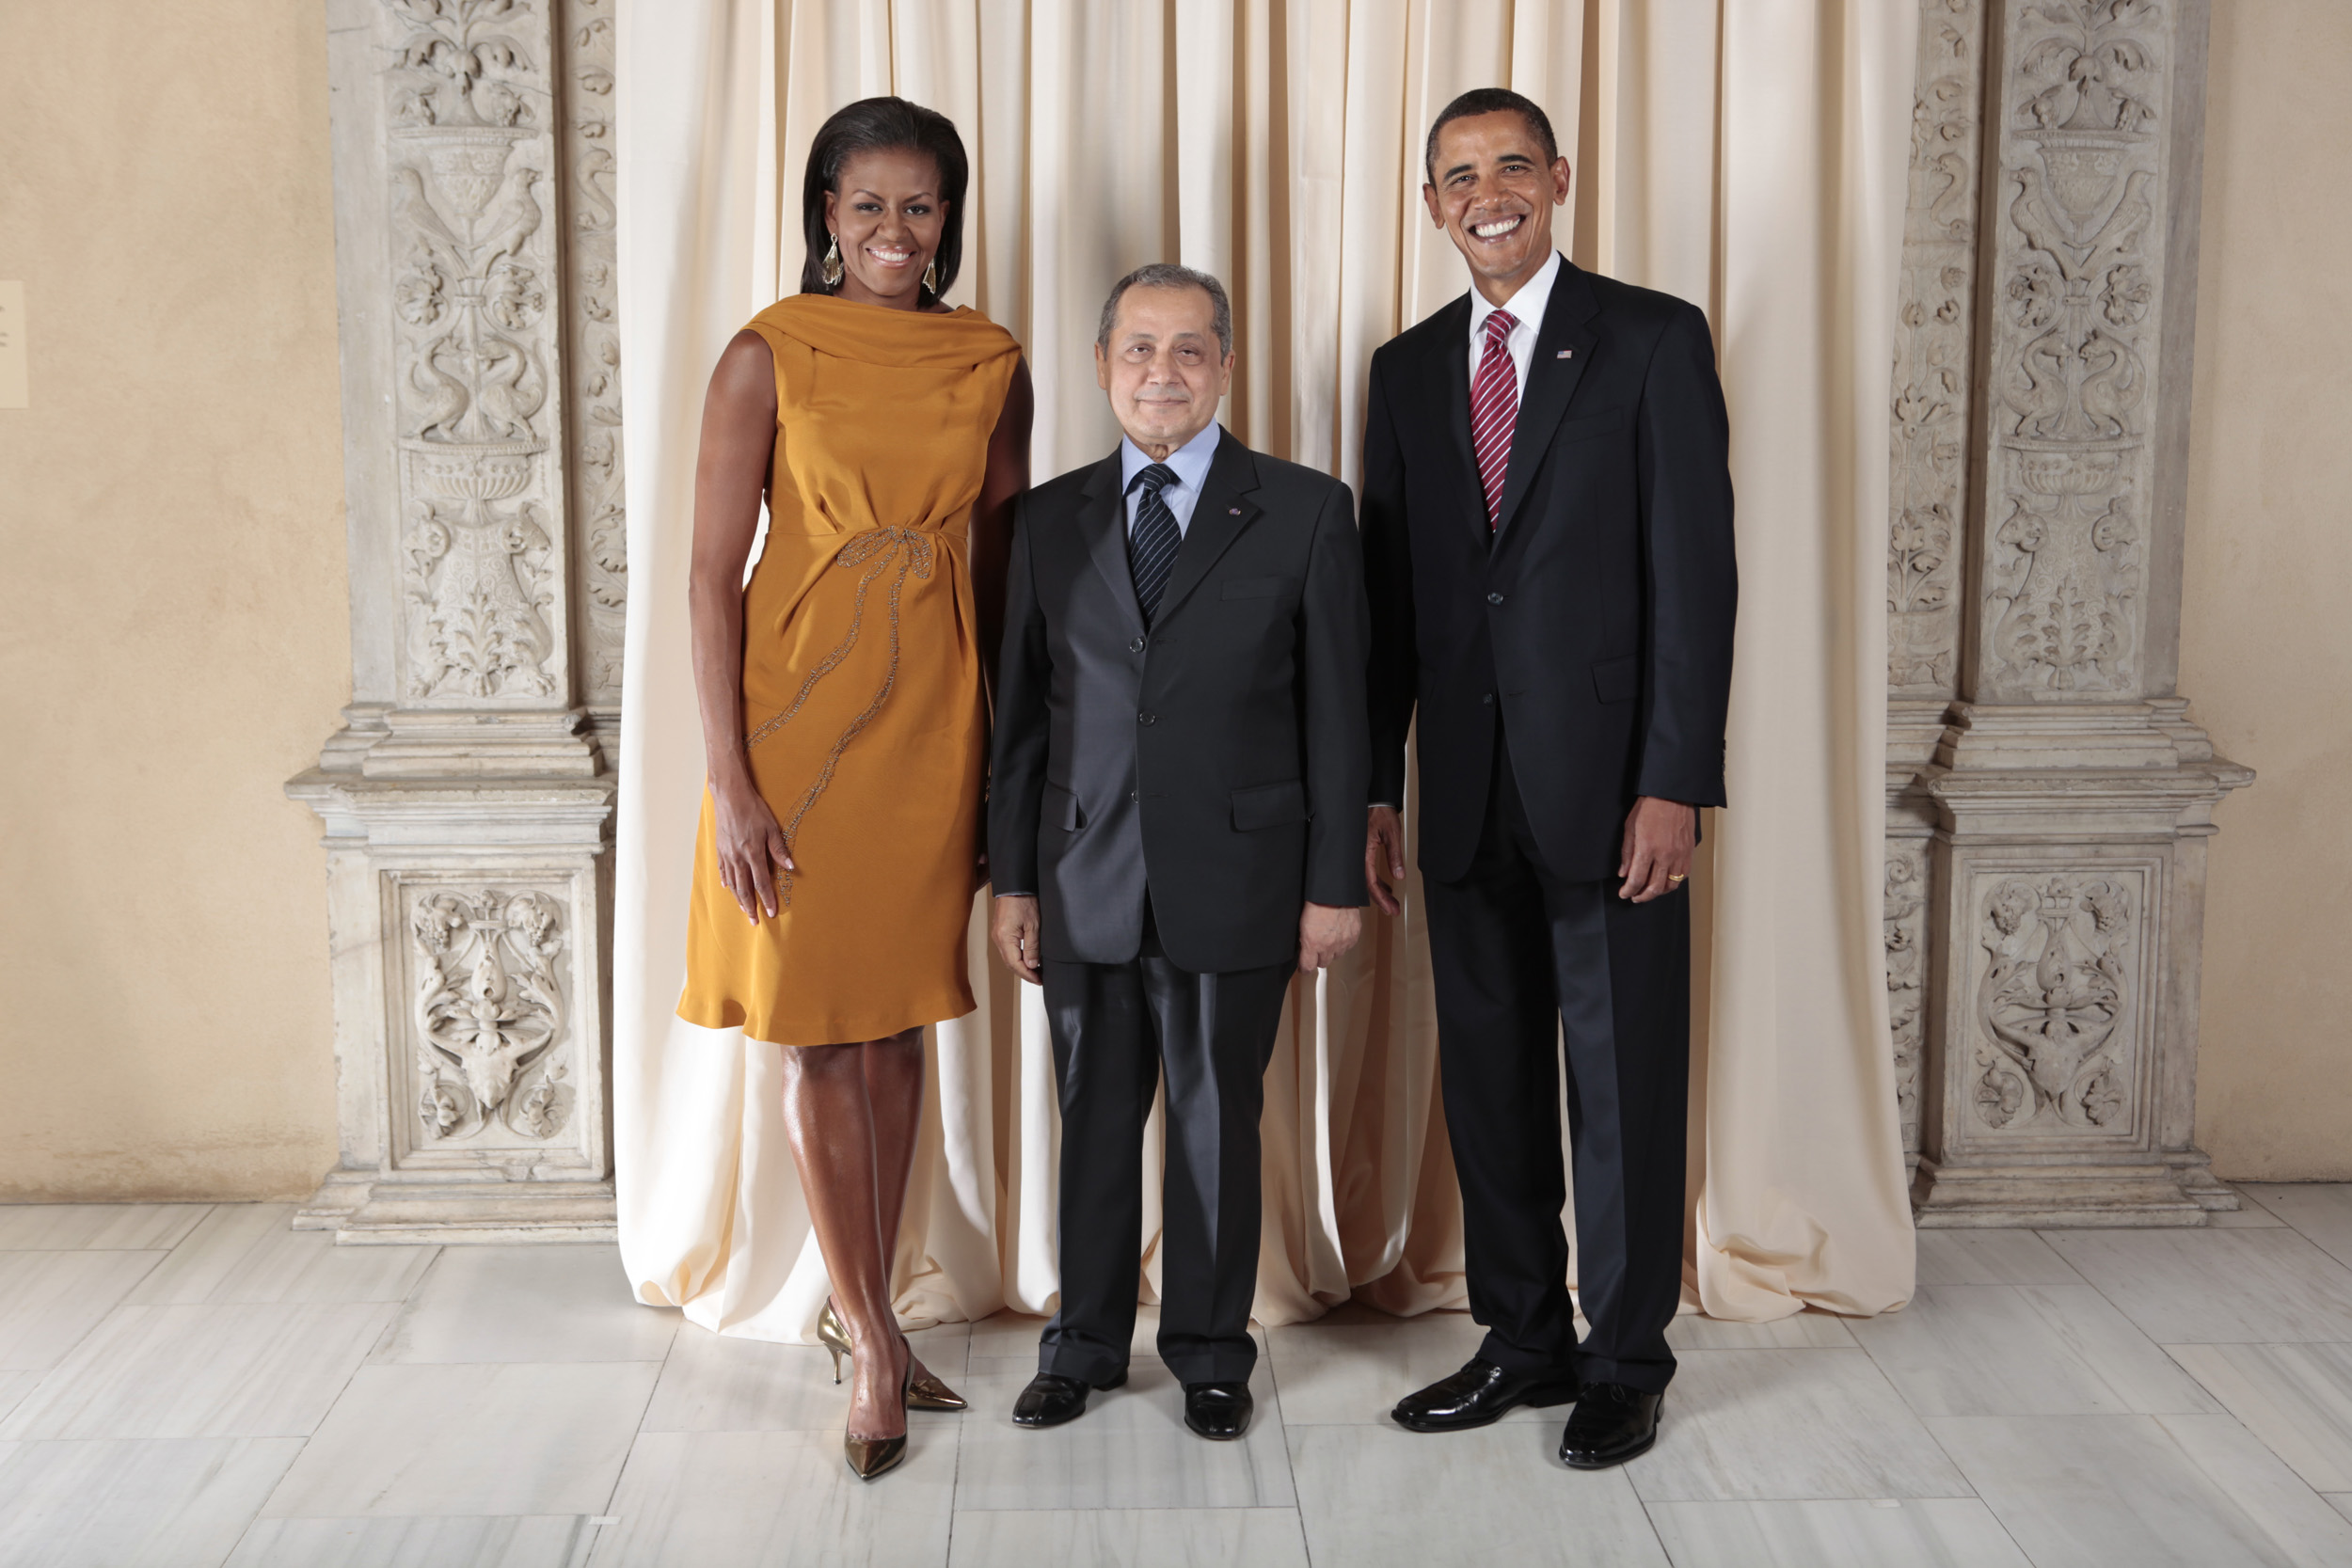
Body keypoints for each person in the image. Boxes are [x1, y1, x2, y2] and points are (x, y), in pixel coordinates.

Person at [1361, 88, 1736, 1469]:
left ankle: (1625, 1359)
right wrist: (1375, 786)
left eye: (1512, 165)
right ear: (1431, 206)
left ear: (1560, 179)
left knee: (1622, 1082)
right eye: (1460, 176)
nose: (1489, 194)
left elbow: (1695, 578)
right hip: (1463, 787)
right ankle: (1523, 1338)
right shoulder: (1407, 369)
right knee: (1491, 1081)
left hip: (1613, 788)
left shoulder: (1650, 338)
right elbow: (1390, 596)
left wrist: (1673, 780)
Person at [676, 96, 1032, 1482]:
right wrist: (731, 777)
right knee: (824, 1035)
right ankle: (876, 1339)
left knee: (896, 1029)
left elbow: (1003, 572)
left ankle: (866, 1305)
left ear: (949, 216)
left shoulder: (989, 360)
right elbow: (708, 577)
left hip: (934, 724)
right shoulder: (767, 352)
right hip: (794, 730)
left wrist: (1008, 760)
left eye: (920, 204)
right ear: (826, 211)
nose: (896, 228)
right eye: (868, 203)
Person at [988, 263, 1370, 1443]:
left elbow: (1340, 719)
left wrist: (1332, 887)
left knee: (1214, 1125)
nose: (1163, 372)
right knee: (1093, 1122)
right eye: (1140, 349)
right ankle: (1082, 1346)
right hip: (1082, 874)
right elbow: (1021, 723)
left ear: (1226, 367)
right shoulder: (1045, 520)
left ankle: (1209, 1352)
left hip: (1241, 878)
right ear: (1103, 365)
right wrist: (1011, 879)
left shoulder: (1306, 511)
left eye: (1190, 349)